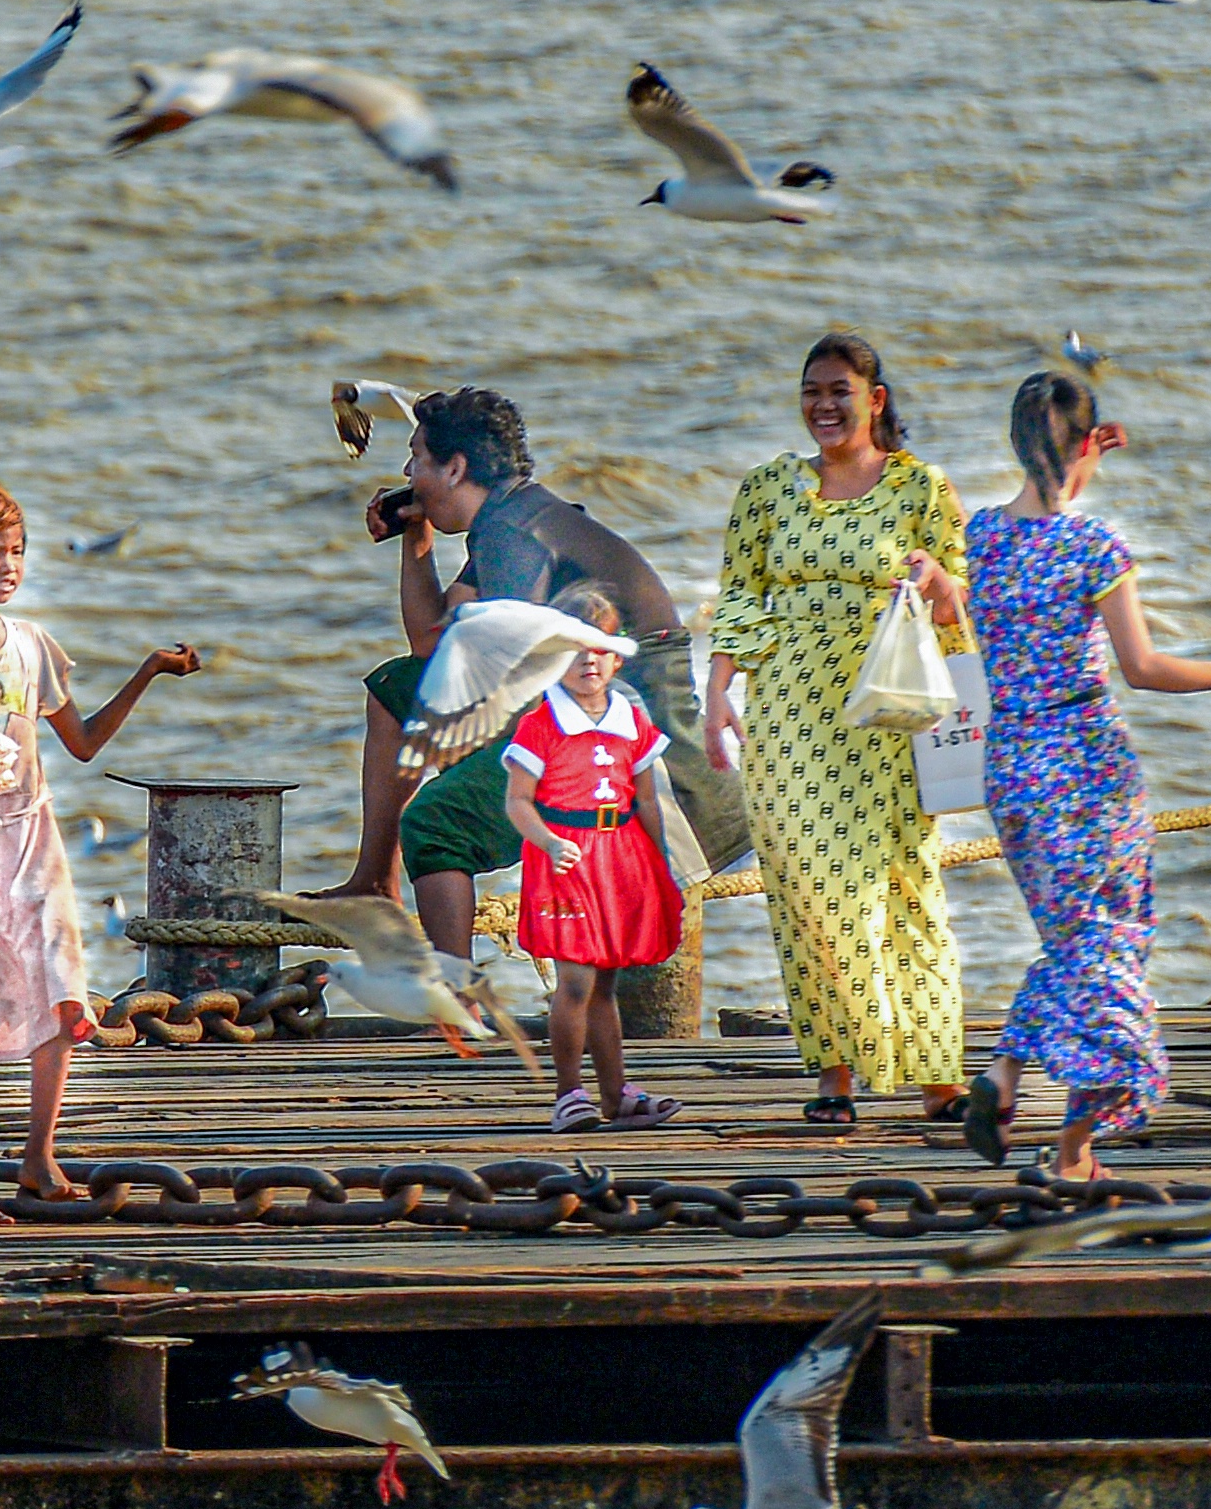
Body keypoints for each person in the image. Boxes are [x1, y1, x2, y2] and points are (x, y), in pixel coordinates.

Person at [964, 372, 1211, 1184]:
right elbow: (1143, 668)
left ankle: (1007, 1077)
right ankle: (1074, 1147)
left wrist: (1079, 458)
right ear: (1089, 444)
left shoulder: (976, 537)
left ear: (1014, 444)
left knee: (1073, 942)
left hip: (1011, 765)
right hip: (1087, 764)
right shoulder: (1093, 547)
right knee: (1112, 944)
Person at [0, 477, 204, 1213]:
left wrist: (149, 672)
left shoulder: (32, 646)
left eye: (17, 551)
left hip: (33, 835)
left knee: (65, 992)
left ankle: (38, 1153)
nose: (8, 565)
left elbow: (84, 743)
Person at [329, 386, 713, 965]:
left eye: (416, 458)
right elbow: (429, 642)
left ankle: (456, 1002)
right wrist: (417, 537)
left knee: (435, 823)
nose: (407, 473)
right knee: (393, 690)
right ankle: (373, 883)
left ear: (455, 468)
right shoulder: (513, 517)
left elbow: (489, 665)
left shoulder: (513, 535)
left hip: (632, 736)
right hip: (572, 698)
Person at [709, 332, 975, 1126]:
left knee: (903, 884)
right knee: (806, 893)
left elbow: (965, 594)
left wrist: (937, 581)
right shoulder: (766, 490)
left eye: (840, 391)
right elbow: (737, 599)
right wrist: (719, 693)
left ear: (874, 400)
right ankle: (836, 1074)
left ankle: (937, 1075)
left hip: (886, 714)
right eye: (811, 391)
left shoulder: (919, 489)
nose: (824, 406)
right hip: (788, 715)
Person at [504, 588, 702, 1131]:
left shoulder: (631, 721)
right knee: (574, 981)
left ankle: (615, 1094)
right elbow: (517, 800)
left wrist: (661, 869)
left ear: (618, 655)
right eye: (573, 647)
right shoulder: (540, 725)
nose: (588, 660)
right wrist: (546, 842)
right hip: (565, 857)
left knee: (607, 985)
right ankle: (569, 1094)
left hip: (621, 855)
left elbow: (646, 800)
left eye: (599, 647)